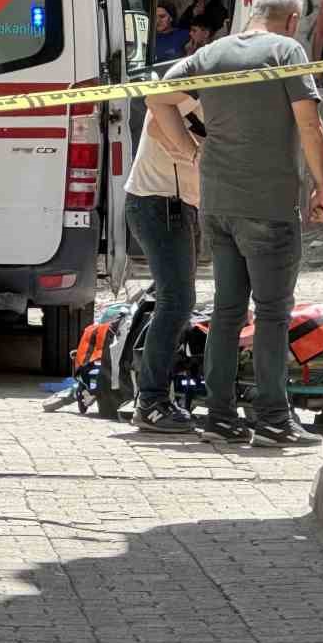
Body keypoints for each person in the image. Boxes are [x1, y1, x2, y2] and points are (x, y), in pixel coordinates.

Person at [146, 0, 323, 448]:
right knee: (271, 312)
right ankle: (272, 417)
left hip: (218, 205)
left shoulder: (212, 54)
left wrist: (192, 153)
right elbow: (309, 124)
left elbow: (157, 97)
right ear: (292, 20)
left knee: (228, 312)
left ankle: (221, 416)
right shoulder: (287, 51)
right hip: (267, 205)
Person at [124, 91, 204, 433]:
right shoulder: (202, 85)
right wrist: (196, 153)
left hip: (179, 204)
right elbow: (157, 119)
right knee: (177, 300)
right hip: (158, 203)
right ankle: (151, 400)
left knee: (177, 301)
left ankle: (156, 391)